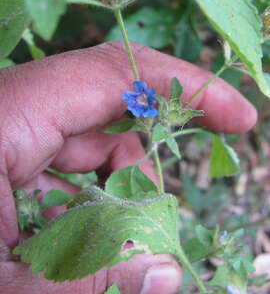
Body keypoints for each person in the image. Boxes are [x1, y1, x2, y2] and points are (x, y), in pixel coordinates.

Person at [0, 41, 257, 294]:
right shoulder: (136, 104)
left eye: (146, 101)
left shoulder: (148, 106)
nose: (144, 100)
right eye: (142, 99)